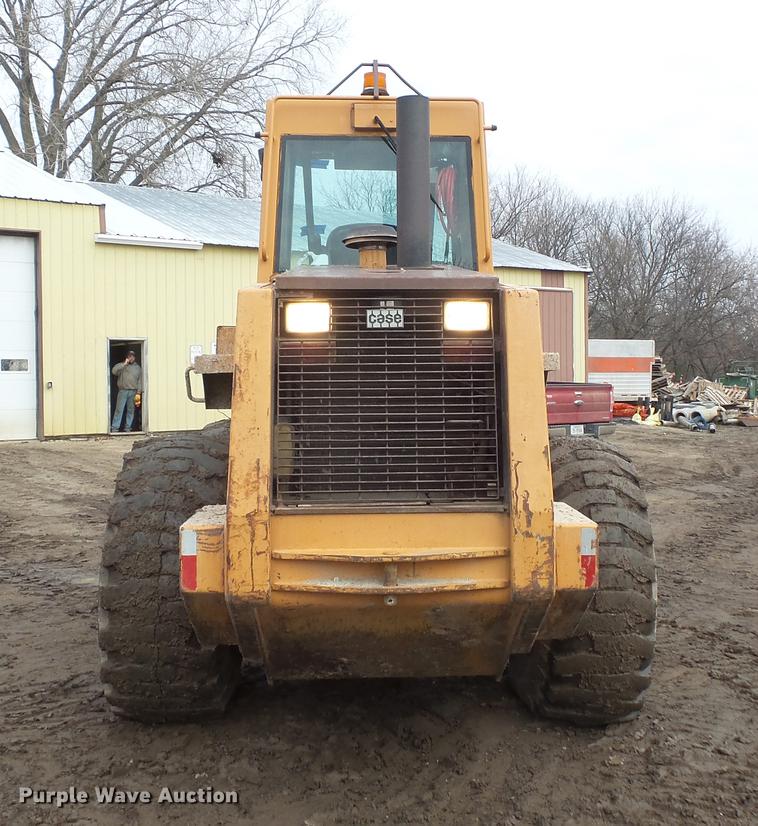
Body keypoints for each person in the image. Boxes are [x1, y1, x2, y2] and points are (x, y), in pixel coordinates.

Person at [111, 350, 142, 432]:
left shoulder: (138, 368)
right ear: (127, 357)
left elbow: (140, 380)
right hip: (122, 391)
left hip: (133, 392)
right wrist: (124, 364)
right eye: (129, 356)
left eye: (132, 356)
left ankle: (128, 428)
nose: (131, 358)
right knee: (119, 410)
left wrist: (139, 392)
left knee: (131, 410)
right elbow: (114, 371)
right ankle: (115, 428)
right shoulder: (121, 366)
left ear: (134, 357)